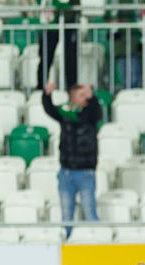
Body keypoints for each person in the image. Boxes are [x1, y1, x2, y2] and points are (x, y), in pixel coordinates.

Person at [42, 81, 101, 228]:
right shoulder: (65, 113)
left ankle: (96, 241)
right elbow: (50, 109)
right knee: (67, 216)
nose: (85, 98)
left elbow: (98, 113)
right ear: (72, 98)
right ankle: (67, 243)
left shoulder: (90, 113)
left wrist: (92, 97)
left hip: (86, 172)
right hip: (66, 172)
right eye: (82, 95)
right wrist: (47, 95)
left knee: (90, 214)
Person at [38, 0, 79, 90]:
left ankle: (72, 91)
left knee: (70, 58)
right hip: (50, 23)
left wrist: (60, 4)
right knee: (45, 58)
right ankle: (41, 90)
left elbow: (69, 5)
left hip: (69, 19)